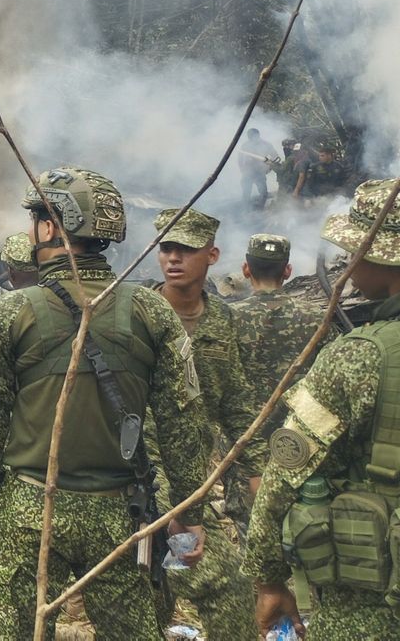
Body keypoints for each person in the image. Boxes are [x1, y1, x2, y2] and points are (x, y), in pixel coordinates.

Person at [0, 166, 209, 639]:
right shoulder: (150, 309)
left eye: (37, 218)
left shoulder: (13, 311)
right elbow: (184, 421)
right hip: (121, 513)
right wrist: (189, 511)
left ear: (52, 227)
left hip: (32, 510)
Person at [245, 178, 400, 637]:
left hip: (371, 604)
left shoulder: (361, 354)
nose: (347, 262)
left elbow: (285, 470)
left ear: (383, 258)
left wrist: (269, 577)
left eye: (355, 250)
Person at [151, 208, 264, 639]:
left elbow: (235, 400)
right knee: (221, 583)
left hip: (191, 480)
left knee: (160, 587)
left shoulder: (221, 320)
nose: (173, 259)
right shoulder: (136, 314)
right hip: (146, 478)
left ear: (212, 255)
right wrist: (182, 508)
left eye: (186, 250)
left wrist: (254, 470)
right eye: (166, 248)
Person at [227, 233, 331, 537]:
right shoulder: (317, 318)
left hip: (246, 446)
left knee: (255, 535)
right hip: (301, 446)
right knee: (306, 532)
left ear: (246, 270)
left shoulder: (228, 319)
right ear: (288, 271)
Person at [238, 128, 277, 208]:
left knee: (263, 193)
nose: (252, 138)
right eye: (250, 136)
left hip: (260, 172)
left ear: (258, 135)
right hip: (248, 172)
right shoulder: (245, 145)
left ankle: (260, 208)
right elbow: (240, 158)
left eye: (253, 136)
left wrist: (269, 168)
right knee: (246, 192)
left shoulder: (266, 145)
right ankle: (245, 210)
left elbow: (275, 156)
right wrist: (242, 169)